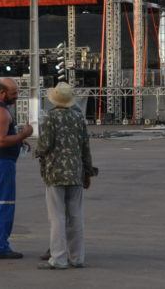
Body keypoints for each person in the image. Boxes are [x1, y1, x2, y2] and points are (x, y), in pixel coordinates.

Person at [35, 82, 98, 270]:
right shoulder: (79, 119)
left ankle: (59, 259)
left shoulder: (50, 118)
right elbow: (85, 148)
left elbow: (44, 146)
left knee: (57, 217)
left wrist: (36, 152)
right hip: (76, 173)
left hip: (55, 173)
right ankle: (77, 258)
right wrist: (88, 173)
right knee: (76, 216)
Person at [0, 77, 33, 260]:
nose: (17, 97)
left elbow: (4, 136)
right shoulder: (0, 112)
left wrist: (20, 139)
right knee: (2, 206)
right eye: (14, 94)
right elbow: (1, 141)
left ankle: (0, 245)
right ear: (2, 92)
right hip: (0, 163)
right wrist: (23, 134)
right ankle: (0, 247)